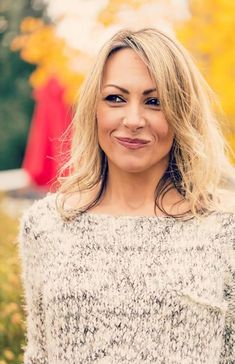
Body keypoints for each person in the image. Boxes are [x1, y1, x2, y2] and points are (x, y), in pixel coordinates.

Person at [18, 28, 235, 363]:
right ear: (94, 108)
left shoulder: (225, 230)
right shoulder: (45, 226)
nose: (133, 120)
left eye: (154, 102)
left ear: (182, 114)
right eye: (115, 98)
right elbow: (39, 354)